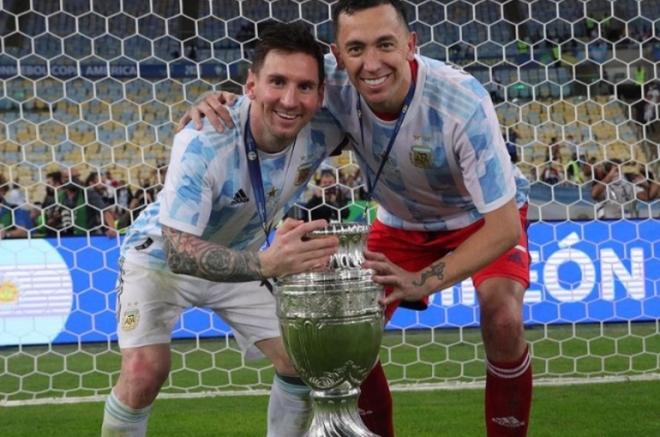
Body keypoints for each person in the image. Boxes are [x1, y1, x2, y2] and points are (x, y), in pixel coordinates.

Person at [183, 1, 533, 435]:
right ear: (336, 53)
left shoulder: (461, 102)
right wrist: (218, 98)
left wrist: (422, 280)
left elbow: (504, 228)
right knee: (341, 332)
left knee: (502, 317)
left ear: (410, 44)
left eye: (385, 45)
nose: (371, 63)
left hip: (481, 218)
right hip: (401, 221)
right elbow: (269, 94)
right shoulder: (328, 78)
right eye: (355, 49)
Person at [101, 23, 345, 437]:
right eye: (277, 82)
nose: (289, 100)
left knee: (301, 360)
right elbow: (179, 250)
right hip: (162, 256)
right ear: (251, 84)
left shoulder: (325, 129)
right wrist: (266, 263)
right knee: (145, 371)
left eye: (305, 87)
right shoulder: (203, 138)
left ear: (321, 94)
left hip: (245, 258)